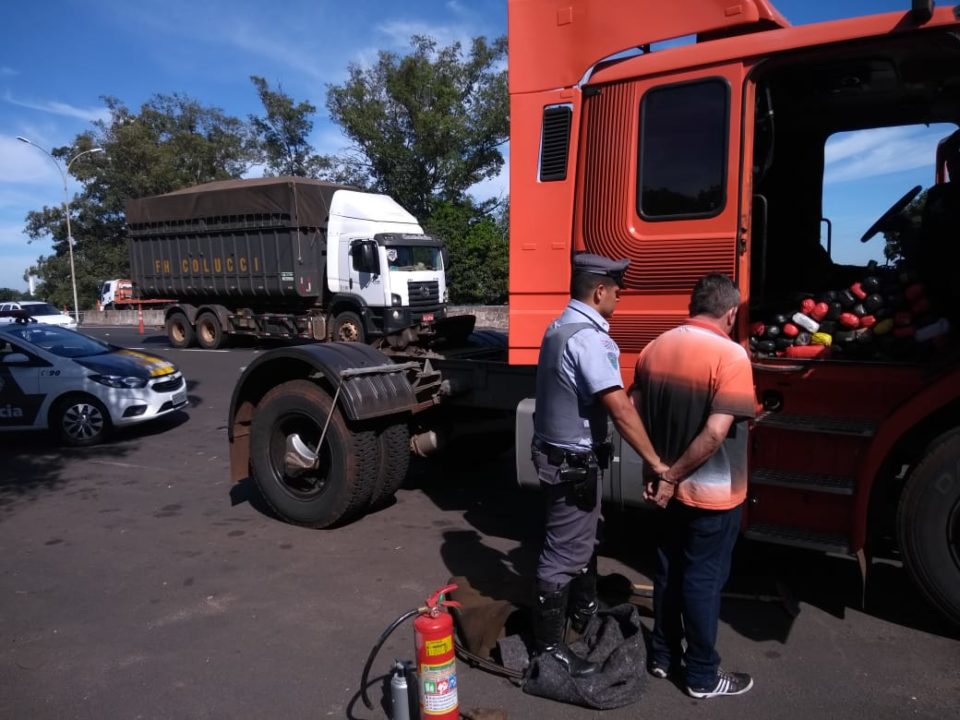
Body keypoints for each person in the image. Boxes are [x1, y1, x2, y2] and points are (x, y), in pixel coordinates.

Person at [530, 252, 668, 678]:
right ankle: (549, 650)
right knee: (561, 555)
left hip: (562, 458)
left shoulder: (559, 327)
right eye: (617, 289)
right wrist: (656, 463)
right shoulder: (590, 339)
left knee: (583, 538)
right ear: (600, 291)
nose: (621, 296)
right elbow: (620, 409)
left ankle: (582, 609)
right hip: (572, 464)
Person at [632, 273, 757, 699]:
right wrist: (672, 475)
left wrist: (656, 470)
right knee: (703, 579)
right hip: (712, 495)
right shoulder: (732, 356)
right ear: (731, 312)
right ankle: (703, 675)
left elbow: (632, 414)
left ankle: (662, 657)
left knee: (668, 571)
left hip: (667, 490)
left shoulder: (654, 347)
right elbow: (715, 432)